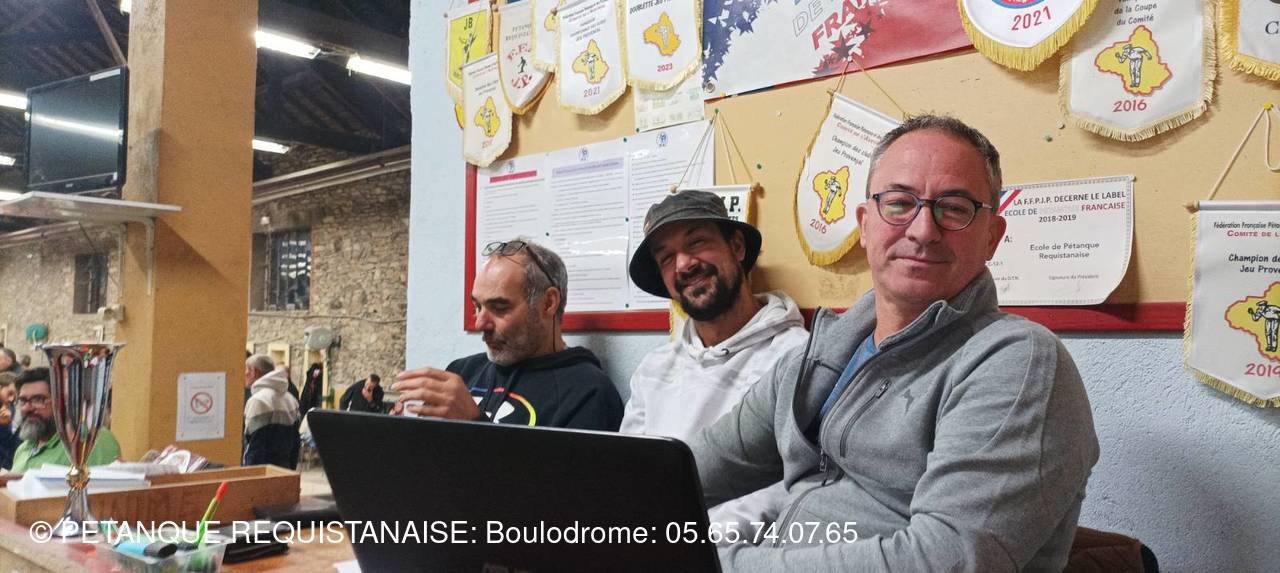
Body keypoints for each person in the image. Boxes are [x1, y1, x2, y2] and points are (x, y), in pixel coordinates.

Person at [688, 115, 1099, 570]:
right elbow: (687, 472)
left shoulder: (1017, 362)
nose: (923, 230)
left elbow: (948, 560)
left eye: (954, 208)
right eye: (900, 203)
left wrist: (716, 565)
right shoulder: (814, 359)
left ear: (992, 237)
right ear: (865, 226)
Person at [623, 189, 807, 529]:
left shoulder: (796, 357)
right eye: (666, 257)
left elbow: (793, 488)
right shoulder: (652, 370)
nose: (683, 264)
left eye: (696, 243)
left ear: (737, 247)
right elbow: (630, 476)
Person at [393, 238, 623, 430]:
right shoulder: (463, 372)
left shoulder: (588, 392)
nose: (480, 323)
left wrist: (474, 423)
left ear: (548, 303)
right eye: (477, 306)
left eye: (499, 307)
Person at [11, 368, 121, 473]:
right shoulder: (23, 448)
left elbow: (104, 485)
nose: (27, 408)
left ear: (62, 402)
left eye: (38, 399)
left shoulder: (91, 440)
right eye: (23, 400)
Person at [243, 354, 301, 469]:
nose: (244, 374)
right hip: (284, 469)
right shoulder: (291, 399)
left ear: (254, 372)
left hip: (263, 472)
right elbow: (295, 443)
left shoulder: (258, 401)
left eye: (246, 370)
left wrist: (250, 474)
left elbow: (255, 446)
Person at [0, 373, 18, 469]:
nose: (11, 399)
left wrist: (4, 426)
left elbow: (6, 443)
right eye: (10, 393)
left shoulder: (10, 408)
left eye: (15, 395)